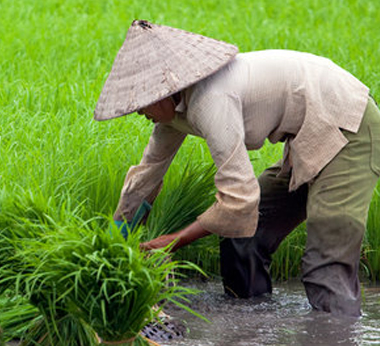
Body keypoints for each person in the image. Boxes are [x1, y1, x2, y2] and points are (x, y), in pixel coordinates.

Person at [95, 20, 380, 317]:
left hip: (349, 127)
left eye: (142, 104)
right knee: (244, 238)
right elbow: (147, 175)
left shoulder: (211, 100)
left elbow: (239, 200)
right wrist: (116, 242)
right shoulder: (171, 113)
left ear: (164, 91)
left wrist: (171, 242)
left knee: (326, 264)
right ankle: (253, 331)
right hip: (310, 136)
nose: (140, 112)